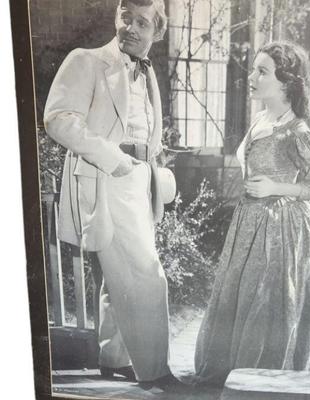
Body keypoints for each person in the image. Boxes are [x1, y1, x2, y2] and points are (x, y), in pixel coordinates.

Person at [44, 0, 181, 390]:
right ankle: (155, 371)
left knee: (119, 270)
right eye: (126, 18)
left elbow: (144, 128)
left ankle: (114, 358)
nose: (131, 28)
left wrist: (150, 171)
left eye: (142, 23)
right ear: (116, 17)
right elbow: (58, 119)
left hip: (140, 177)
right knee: (146, 273)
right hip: (109, 176)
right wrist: (114, 160)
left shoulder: (147, 71)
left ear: (157, 31)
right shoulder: (86, 60)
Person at [194, 41, 310, 385]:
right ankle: (237, 371)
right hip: (250, 221)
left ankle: (265, 377)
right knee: (244, 295)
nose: (251, 77)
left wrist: (275, 187)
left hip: (284, 229)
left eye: (262, 71)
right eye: (254, 69)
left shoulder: (299, 132)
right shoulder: (261, 118)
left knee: (269, 302)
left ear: (286, 83)